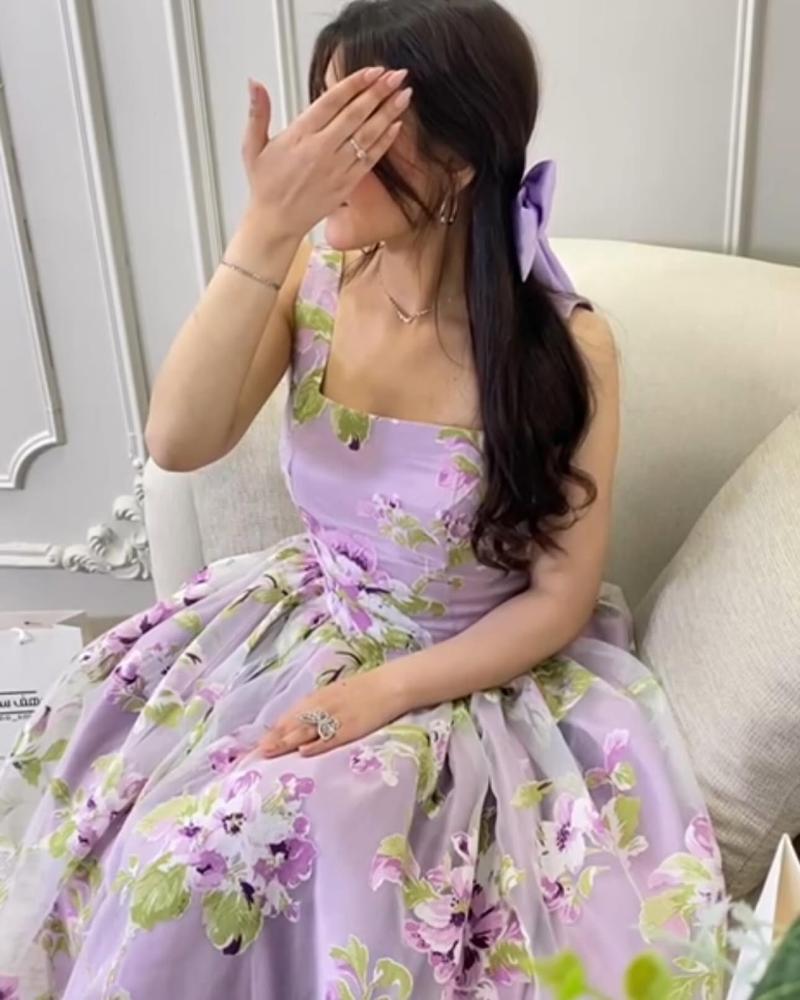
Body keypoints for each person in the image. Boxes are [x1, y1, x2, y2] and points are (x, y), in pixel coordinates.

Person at [0, 1, 728, 997]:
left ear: (458, 159)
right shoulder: (312, 275)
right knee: (123, 808)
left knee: (241, 847)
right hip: (299, 627)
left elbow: (558, 599)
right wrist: (265, 227)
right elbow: (177, 440)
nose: (320, 155)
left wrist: (378, 696)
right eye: (320, 116)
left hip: (470, 680)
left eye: (358, 128)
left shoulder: (565, 349)